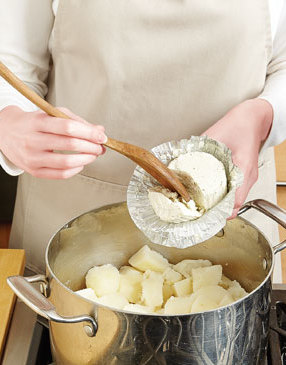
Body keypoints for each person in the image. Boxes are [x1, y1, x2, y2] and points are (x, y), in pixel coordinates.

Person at [0, 0, 285, 279]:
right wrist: (8, 122)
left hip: (232, 232)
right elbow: (11, 66)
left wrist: (262, 118)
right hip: (67, 229)